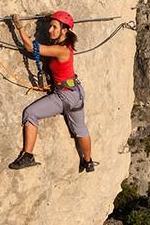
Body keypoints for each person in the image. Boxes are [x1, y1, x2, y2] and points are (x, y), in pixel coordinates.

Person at [8, 10, 95, 172]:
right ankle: (88, 161)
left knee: (31, 113)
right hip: (75, 92)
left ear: (64, 30)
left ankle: (28, 155)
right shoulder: (65, 46)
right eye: (50, 26)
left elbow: (30, 47)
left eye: (54, 27)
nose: (50, 30)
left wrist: (18, 27)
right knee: (80, 129)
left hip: (64, 95)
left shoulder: (61, 50)